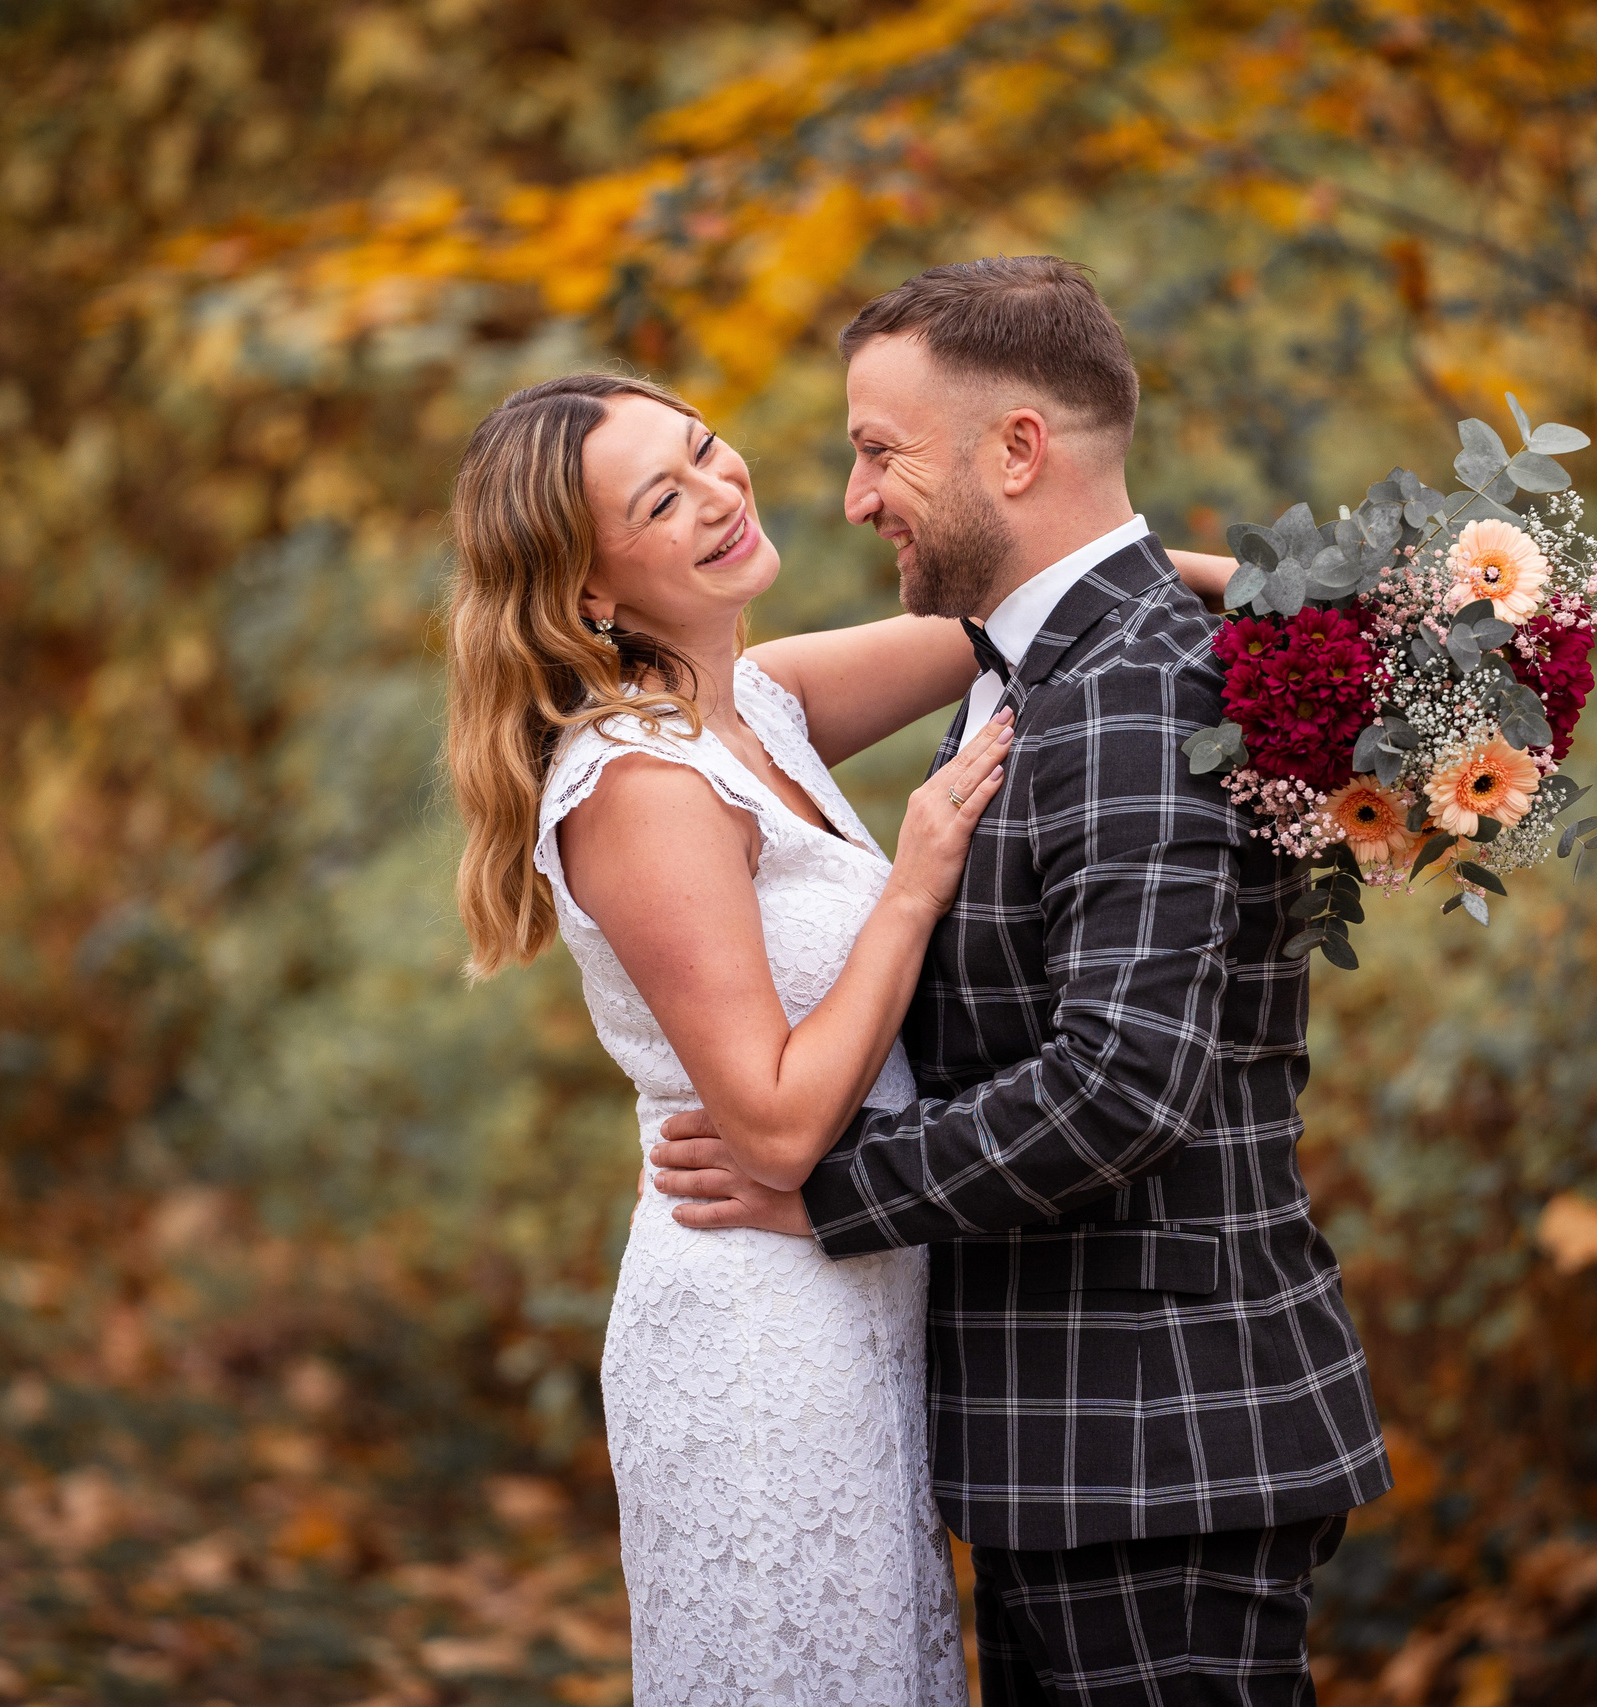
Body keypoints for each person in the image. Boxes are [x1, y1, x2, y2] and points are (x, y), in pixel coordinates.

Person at [650, 257, 1393, 1704]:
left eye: (879, 453)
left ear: (1018, 450)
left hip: (1163, 1451)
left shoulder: (1131, 691)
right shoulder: (1045, 663)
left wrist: (826, 1193)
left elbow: (1122, 1087)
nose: (856, 498)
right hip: (1068, 1453)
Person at [441, 365, 1242, 1703]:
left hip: (867, 1298)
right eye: (661, 496)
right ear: (589, 588)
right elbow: (771, 1121)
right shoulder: (638, 783)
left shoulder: (760, 701)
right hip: (761, 1329)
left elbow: (1062, 603)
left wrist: (1321, 598)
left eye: (706, 451)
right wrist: (917, 879)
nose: (717, 491)